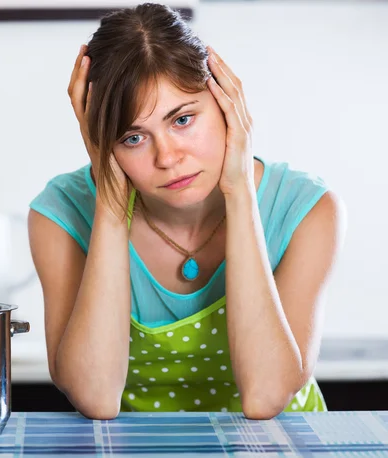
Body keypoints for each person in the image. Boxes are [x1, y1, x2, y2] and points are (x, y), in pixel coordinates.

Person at [27, 2, 346, 420]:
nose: (168, 157)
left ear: (226, 102)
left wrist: (240, 192)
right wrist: (110, 202)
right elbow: (96, 397)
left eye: (182, 120)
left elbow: (266, 397)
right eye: (133, 138)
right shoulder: (61, 214)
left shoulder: (308, 209)